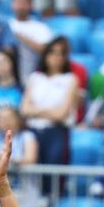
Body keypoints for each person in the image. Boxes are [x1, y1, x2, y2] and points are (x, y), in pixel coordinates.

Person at [21, 36, 79, 196]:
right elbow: (24, 109)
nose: (56, 57)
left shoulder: (70, 79)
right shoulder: (35, 78)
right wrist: (49, 112)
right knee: (32, 173)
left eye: (61, 54)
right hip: (33, 131)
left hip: (57, 132)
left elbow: (62, 114)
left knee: (53, 174)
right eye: (52, 53)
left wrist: (37, 110)